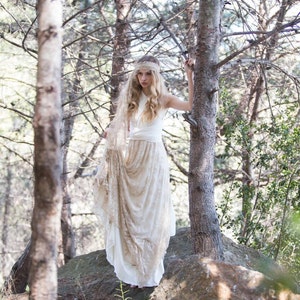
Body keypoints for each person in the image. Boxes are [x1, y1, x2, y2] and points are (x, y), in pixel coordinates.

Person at [93, 55, 194, 288]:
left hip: (153, 158)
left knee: (151, 213)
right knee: (132, 212)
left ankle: (149, 271)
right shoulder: (132, 99)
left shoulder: (164, 99)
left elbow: (190, 105)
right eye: (140, 74)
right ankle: (134, 268)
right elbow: (123, 128)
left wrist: (190, 75)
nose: (144, 78)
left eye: (148, 74)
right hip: (133, 157)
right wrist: (111, 133)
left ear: (156, 75)